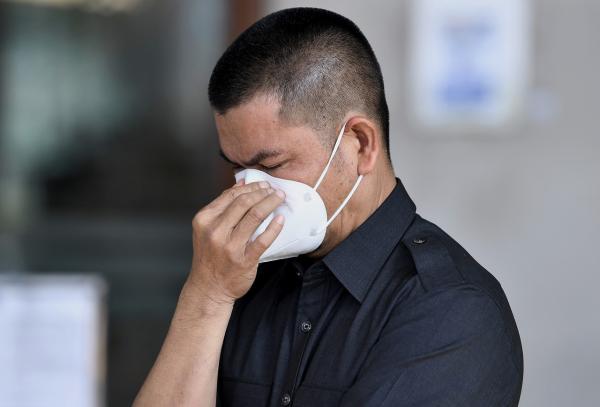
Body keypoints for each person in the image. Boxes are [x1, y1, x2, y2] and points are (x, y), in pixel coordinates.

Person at [134, 7, 523, 407]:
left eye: (271, 166)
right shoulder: (239, 279)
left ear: (361, 145)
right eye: (238, 167)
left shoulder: (449, 308)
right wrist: (206, 295)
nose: (250, 190)